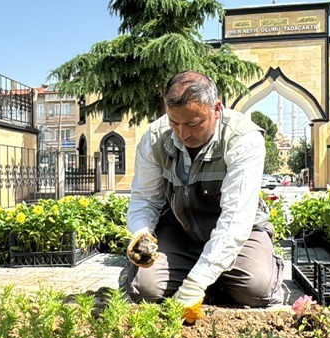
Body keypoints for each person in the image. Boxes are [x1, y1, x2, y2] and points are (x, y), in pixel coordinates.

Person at [120, 70, 285, 323]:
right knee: (146, 289)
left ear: (216, 109)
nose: (182, 134)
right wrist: (141, 233)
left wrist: (195, 284)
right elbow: (145, 198)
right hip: (180, 230)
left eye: (193, 123)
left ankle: (211, 279)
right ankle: (211, 277)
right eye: (174, 123)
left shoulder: (243, 138)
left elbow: (235, 220)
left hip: (240, 233)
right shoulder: (155, 138)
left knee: (257, 289)